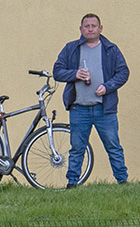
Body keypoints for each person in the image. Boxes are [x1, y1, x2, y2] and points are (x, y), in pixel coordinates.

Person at [53, 13, 129, 188]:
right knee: (77, 149)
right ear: (81, 29)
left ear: (100, 28)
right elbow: (57, 71)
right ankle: (72, 184)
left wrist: (108, 87)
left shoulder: (111, 49)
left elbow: (123, 72)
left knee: (113, 146)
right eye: (86, 26)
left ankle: (123, 182)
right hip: (79, 109)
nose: (90, 29)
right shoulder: (71, 48)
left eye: (94, 26)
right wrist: (74, 74)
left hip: (105, 108)